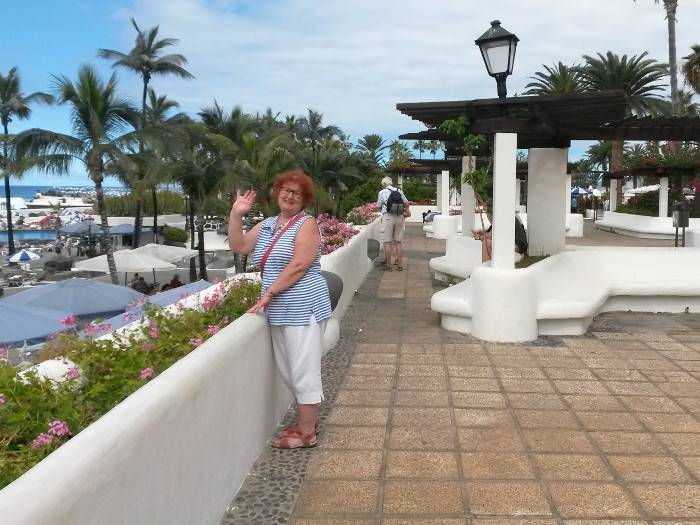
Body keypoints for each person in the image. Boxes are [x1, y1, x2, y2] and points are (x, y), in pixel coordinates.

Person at [228, 169, 332, 449]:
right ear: (277, 193)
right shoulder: (268, 225)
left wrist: (269, 292)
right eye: (285, 190)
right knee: (288, 369)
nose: (289, 196)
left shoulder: (306, 224)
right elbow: (239, 246)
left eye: (296, 193)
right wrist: (236, 215)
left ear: (304, 199)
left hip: (303, 304)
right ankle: (310, 420)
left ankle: (307, 432)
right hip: (278, 308)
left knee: (303, 369)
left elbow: (300, 264)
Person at [377, 176, 410, 271]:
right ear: (391, 183)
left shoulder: (381, 192)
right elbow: (406, 203)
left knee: (388, 242)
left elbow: (379, 206)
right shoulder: (399, 190)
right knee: (398, 242)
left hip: (388, 217)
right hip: (399, 217)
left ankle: (389, 265)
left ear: (383, 184)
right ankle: (400, 265)